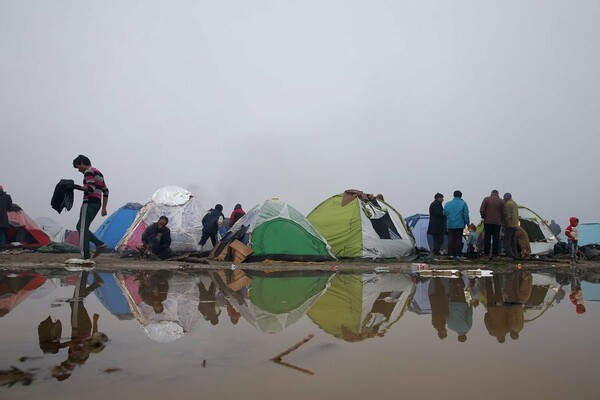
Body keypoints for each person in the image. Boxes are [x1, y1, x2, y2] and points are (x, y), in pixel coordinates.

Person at [72, 155, 109, 260]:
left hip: (88, 203)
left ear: (83, 163)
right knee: (80, 226)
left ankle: (85, 257)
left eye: (78, 167)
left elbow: (90, 188)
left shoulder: (88, 171)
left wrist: (75, 187)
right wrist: (104, 207)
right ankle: (99, 244)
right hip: (97, 204)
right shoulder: (99, 173)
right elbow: (106, 191)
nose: (78, 170)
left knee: (82, 229)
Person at [480, 190, 505, 260]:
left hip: (487, 222)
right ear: (497, 194)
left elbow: (481, 210)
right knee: (496, 238)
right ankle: (495, 254)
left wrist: (484, 216)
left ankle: (486, 253)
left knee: (487, 238)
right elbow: (504, 212)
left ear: (491, 193)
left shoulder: (486, 199)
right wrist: (501, 219)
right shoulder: (501, 201)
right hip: (497, 222)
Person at [443, 190, 470, 258]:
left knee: (451, 239)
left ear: (453, 195)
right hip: (459, 225)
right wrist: (467, 222)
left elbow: (444, 213)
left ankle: (451, 253)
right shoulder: (463, 203)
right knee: (458, 239)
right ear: (461, 196)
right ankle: (458, 254)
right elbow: (465, 214)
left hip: (450, 224)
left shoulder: (447, 204)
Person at [503, 193, 520, 259]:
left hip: (509, 225)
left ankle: (509, 255)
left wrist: (504, 223)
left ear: (506, 197)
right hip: (515, 224)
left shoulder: (508, 204)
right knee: (513, 241)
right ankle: (515, 255)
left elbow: (508, 215)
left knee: (507, 241)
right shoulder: (514, 203)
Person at [0, 185, 13, 249]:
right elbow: (10, 208)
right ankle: (2, 246)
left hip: (2, 220)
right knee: (2, 233)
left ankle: (2, 246)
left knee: (1, 233)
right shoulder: (7, 197)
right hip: (3, 220)